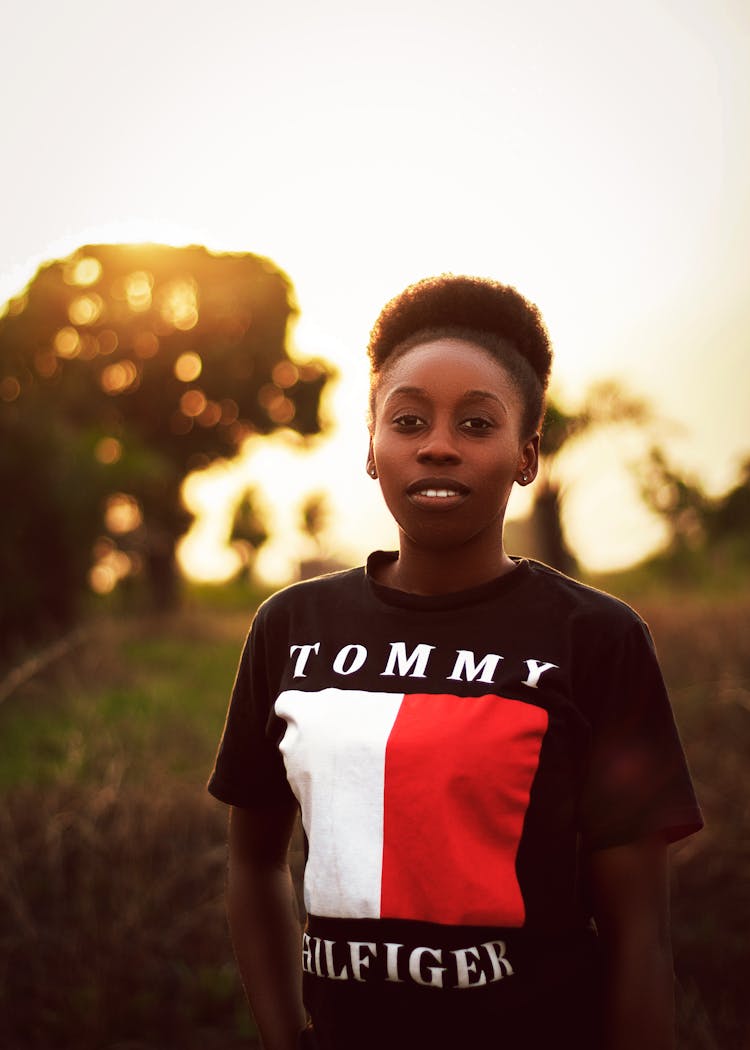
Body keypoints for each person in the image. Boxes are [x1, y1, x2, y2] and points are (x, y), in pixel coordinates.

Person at [208, 275, 703, 1050]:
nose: (438, 444)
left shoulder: (596, 638)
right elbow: (254, 864)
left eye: (476, 423)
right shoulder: (292, 627)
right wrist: (285, 1036)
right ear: (373, 449)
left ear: (526, 454)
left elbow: (641, 934)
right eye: (408, 421)